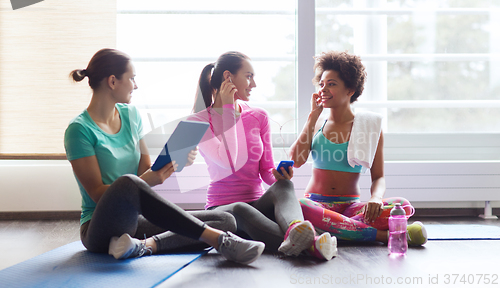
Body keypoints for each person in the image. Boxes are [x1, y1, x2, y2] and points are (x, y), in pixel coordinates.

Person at [64, 48, 265, 265]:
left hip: (135, 219)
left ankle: (143, 245)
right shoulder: (79, 130)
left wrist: (178, 161)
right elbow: (97, 193)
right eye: (132, 78)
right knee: (126, 183)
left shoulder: (131, 116)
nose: (136, 85)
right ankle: (216, 239)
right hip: (99, 227)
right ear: (113, 81)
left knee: (225, 219)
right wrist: (147, 179)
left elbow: (145, 171)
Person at [188, 51, 337, 261]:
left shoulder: (258, 116)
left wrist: (278, 175)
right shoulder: (198, 122)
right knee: (240, 209)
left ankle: (297, 232)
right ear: (228, 77)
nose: (254, 84)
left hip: (258, 206)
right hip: (224, 212)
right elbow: (228, 161)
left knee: (285, 187)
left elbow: (266, 172)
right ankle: (314, 242)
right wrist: (229, 107)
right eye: (248, 76)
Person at [289, 50, 427, 246]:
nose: (323, 89)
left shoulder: (369, 126)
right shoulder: (316, 123)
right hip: (316, 204)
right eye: (322, 84)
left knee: (402, 206)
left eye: (332, 84)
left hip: (351, 208)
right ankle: (383, 236)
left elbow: (378, 176)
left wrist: (376, 198)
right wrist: (312, 117)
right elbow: (296, 160)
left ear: (350, 90)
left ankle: (333, 230)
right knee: (301, 205)